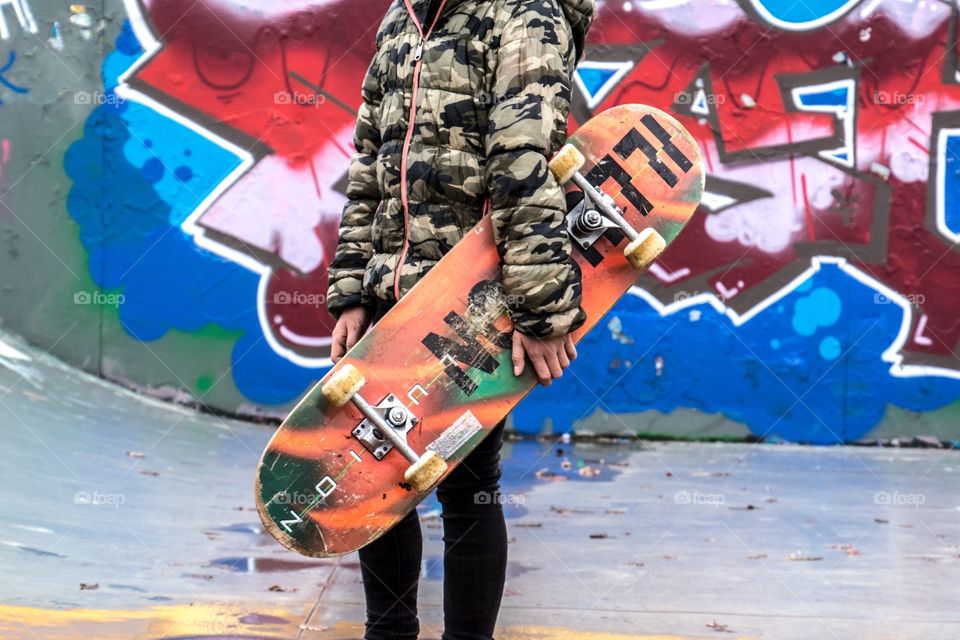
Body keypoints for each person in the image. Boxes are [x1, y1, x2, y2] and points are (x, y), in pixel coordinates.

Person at [325, 0, 595, 637]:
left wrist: (540, 308)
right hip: (391, 298)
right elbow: (371, 160)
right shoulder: (403, 18)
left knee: (467, 486)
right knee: (376, 475)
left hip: (469, 309)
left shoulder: (526, 18)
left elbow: (526, 165)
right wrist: (352, 288)